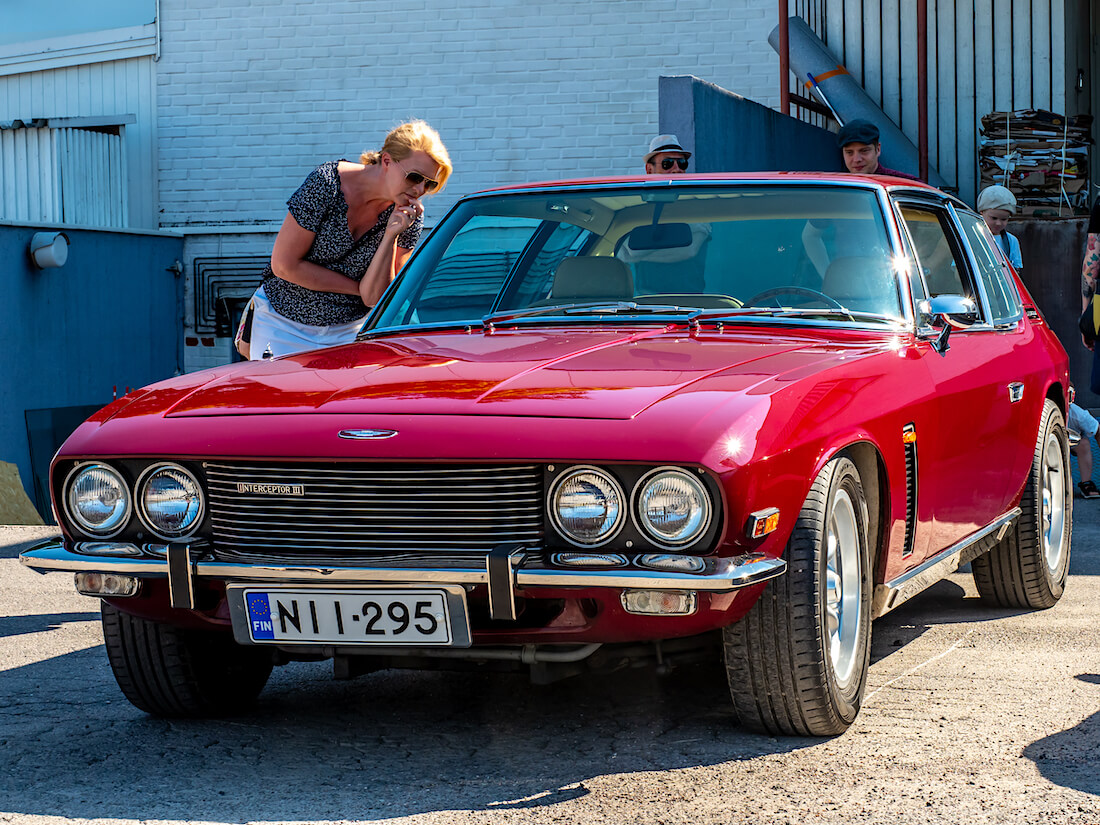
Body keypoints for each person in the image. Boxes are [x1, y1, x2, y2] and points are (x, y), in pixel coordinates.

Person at [236, 120, 452, 359]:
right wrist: (356, 288)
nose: (419, 189)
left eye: (430, 184)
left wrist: (391, 234)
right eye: (414, 177)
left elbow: (376, 298)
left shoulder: (408, 217)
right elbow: (284, 265)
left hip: (351, 331)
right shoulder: (326, 184)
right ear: (387, 161)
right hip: (283, 322)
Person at [617, 135, 711, 293]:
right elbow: (625, 255)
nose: (677, 169)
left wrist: (641, 253)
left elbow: (690, 250)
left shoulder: (696, 205)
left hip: (692, 306)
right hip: (645, 307)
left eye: (682, 163)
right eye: (667, 164)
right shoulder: (637, 208)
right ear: (649, 169)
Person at [836, 119, 921, 180]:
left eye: (864, 151)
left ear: (878, 149)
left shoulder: (905, 184)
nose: (857, 159)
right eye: (849, 152)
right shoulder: (835, 188)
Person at [976, 185, 1023, 271]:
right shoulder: (971, 237)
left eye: (1004, 219)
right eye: (993, 218)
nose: (998, 223)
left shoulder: (1011, 241)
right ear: (981, 212)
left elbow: (1016, 271)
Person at [1069, 402, 1100, 498]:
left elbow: (1097, 430)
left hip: (1070, 439)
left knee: (1084, 444)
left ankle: (1086, 483)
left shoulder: (1076, 413)